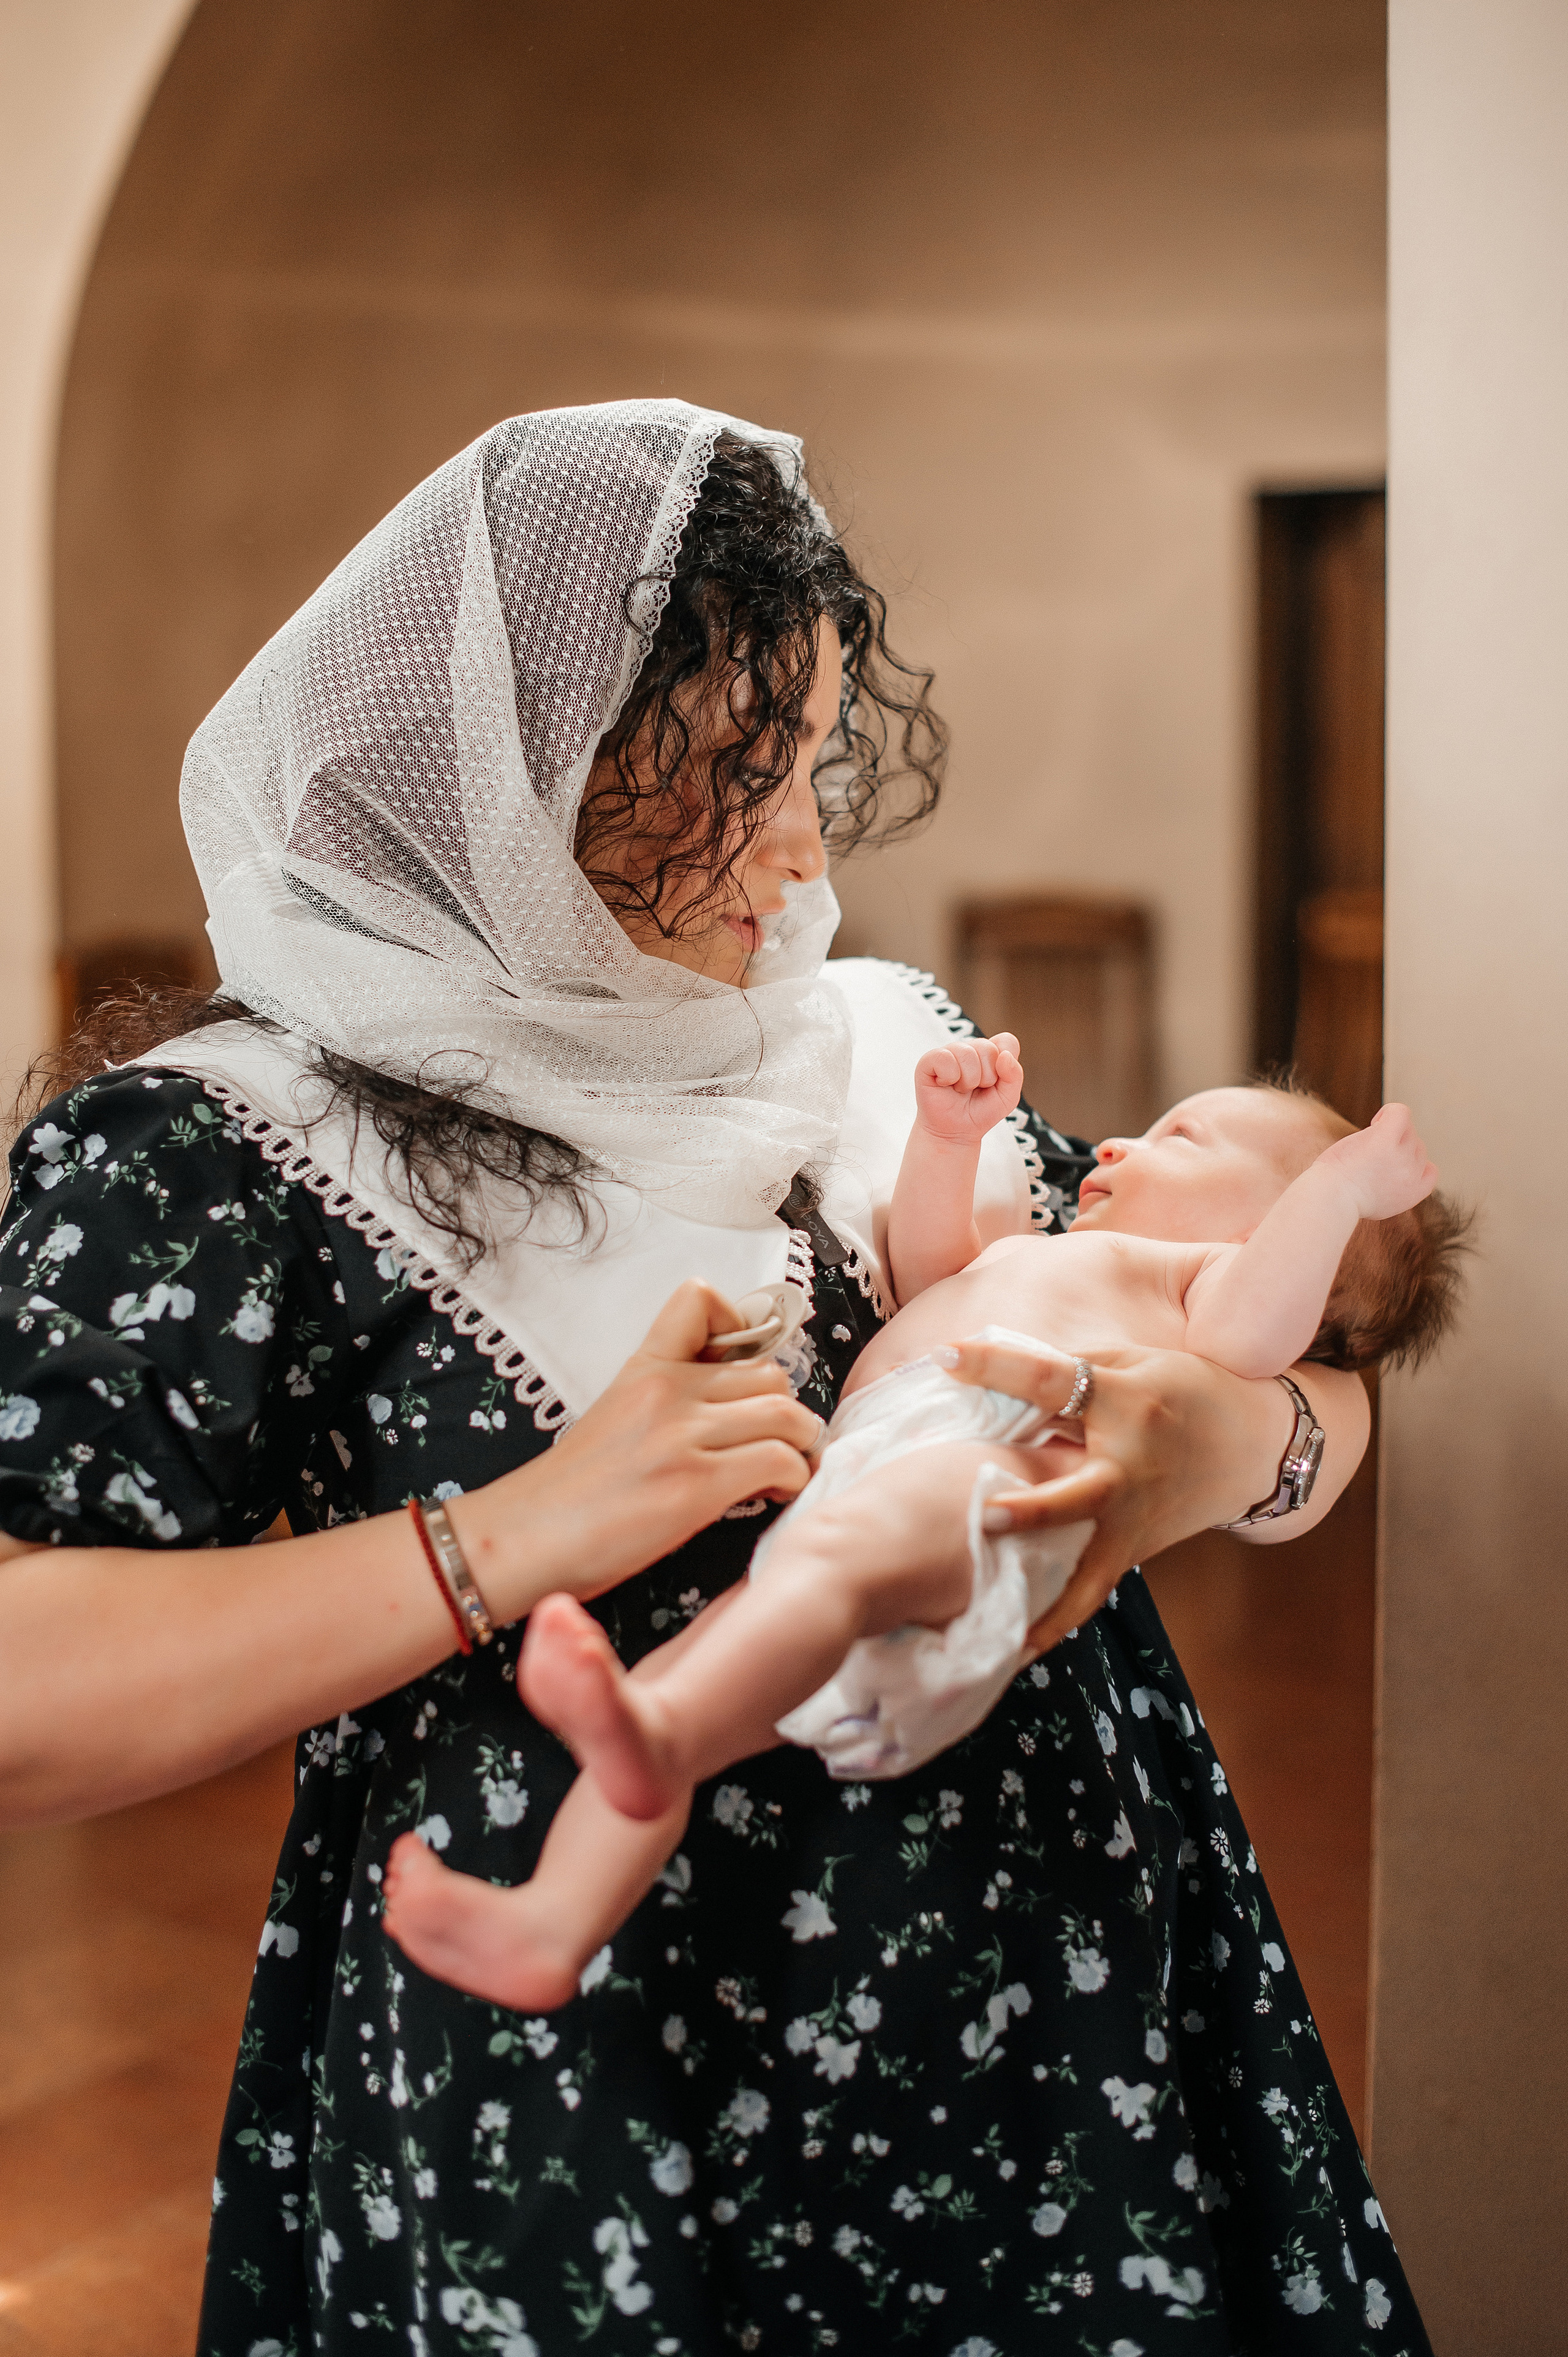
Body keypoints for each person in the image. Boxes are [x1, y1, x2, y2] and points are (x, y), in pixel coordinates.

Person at [0, 401, 1433, 2355]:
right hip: (598, 2069)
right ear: (519, 776)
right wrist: (508, 1540)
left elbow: (1325, 1361)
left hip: (1066, 2018)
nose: (802, 844)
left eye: (813, 754)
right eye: (730, 776)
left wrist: (1228, 1447)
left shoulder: (876, 1045)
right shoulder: (221, 1148)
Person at [380, 1051, 1462, 2016]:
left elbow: (1255, 1329)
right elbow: (930, 1274)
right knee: (712, 1663)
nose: (1127, 1139)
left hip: (982, 1487)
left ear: (1274, 1238)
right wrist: (950, 1141)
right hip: (884, 1484)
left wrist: (1337, 1191)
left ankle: (652, 1741)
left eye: (1183, 1136)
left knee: (816, 1584)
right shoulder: (1045, 1255)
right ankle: (555, 1918)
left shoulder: (1196, 1287)